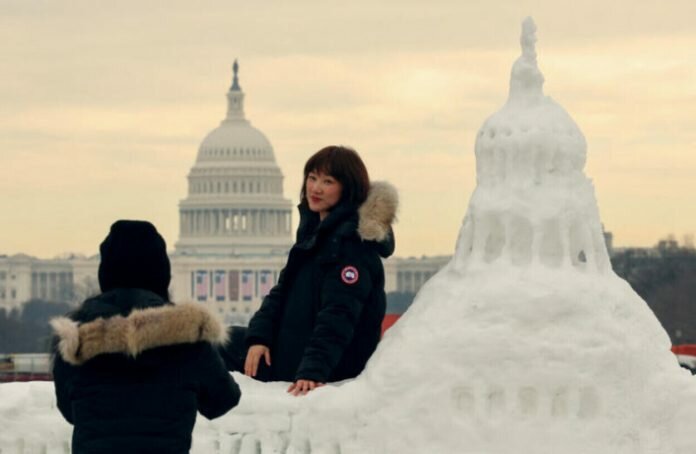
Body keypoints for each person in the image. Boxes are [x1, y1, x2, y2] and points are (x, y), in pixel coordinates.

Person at [51, 220, 240, 454]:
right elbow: (222, 400)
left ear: (106, 273)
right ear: (161, 273)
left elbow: (69, 410)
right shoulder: (190, 337)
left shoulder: (75, 339)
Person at [222, 145, 397, 396]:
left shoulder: (351, 246)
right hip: (294, 350)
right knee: (212, 341)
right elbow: (280, 293)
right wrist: (259, 338)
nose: (315, 188)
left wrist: (313, 371)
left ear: (348, 188)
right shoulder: (316, 237)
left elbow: (338, 316)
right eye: (312, 178)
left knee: (206, 351)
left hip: (320, 365)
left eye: (328, 182)